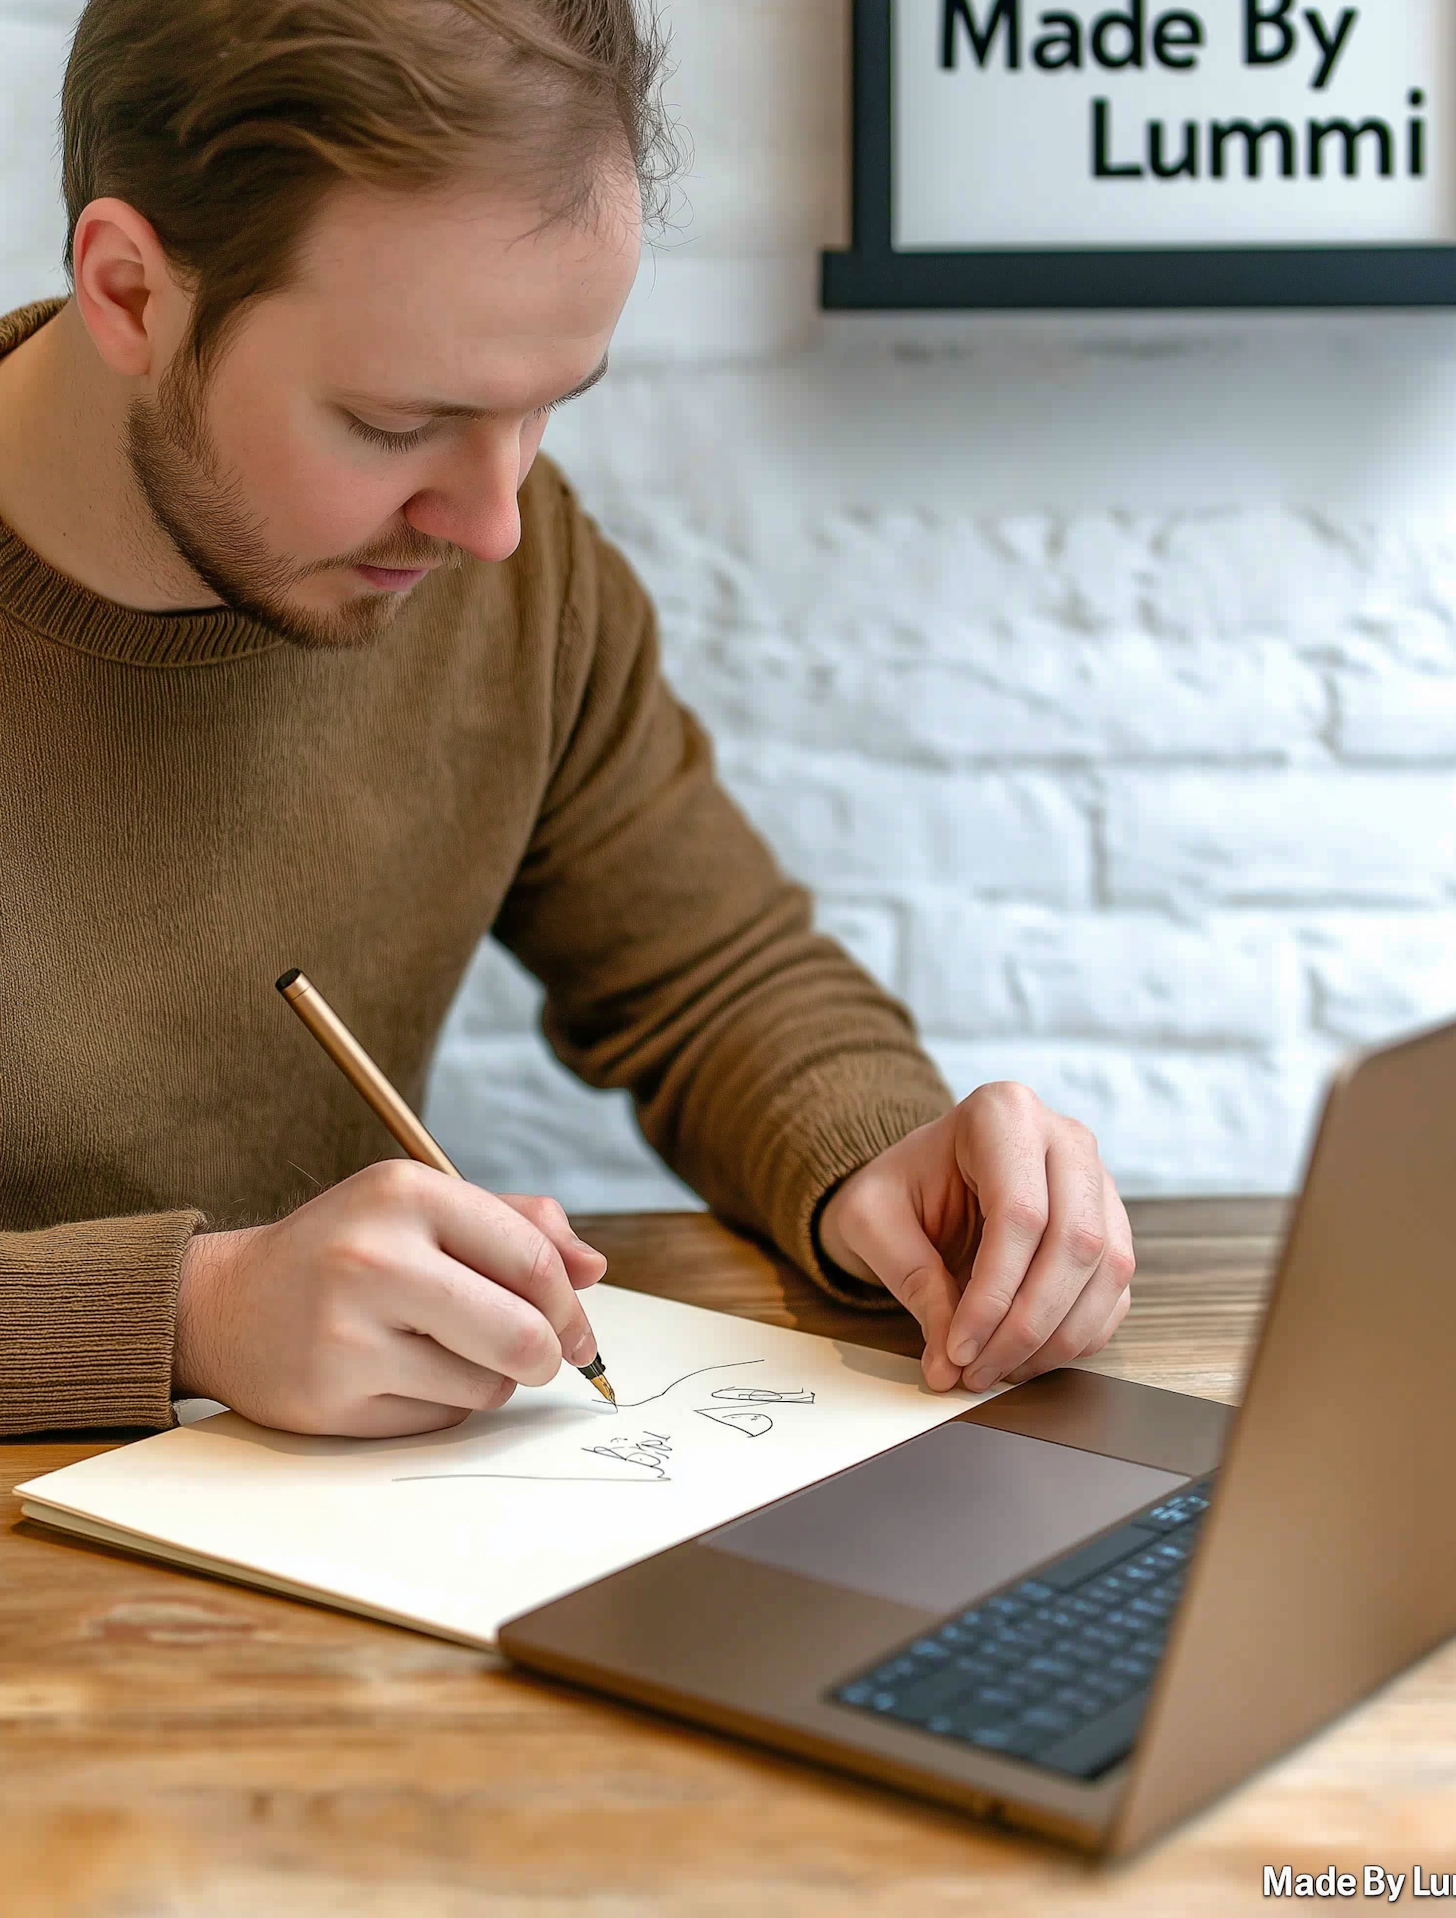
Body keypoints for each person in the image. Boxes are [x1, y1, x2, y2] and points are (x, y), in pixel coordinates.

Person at [0, 0, 1134, 1441]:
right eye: (395, 424)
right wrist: (194, 1312)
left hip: (323, 1589)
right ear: (131, 294)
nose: (490, 524)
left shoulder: (508, 577)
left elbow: (712, 975)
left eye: (548, 406)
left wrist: (890, 1168)